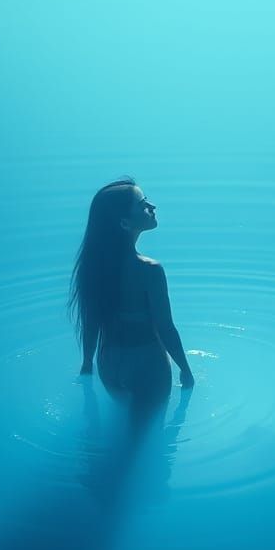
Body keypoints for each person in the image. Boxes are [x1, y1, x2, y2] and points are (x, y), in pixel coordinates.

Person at [68, 177, 194, 421]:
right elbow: (165, 327)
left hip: (109, 366)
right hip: (146, 365)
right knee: (143, 439)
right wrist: (185, 370)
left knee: (122, 425)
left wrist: (86, 364)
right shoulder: (149, 270)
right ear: (125, 223)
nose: (152, 207)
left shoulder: (92, 266)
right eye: (143, 204)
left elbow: (90, 319)